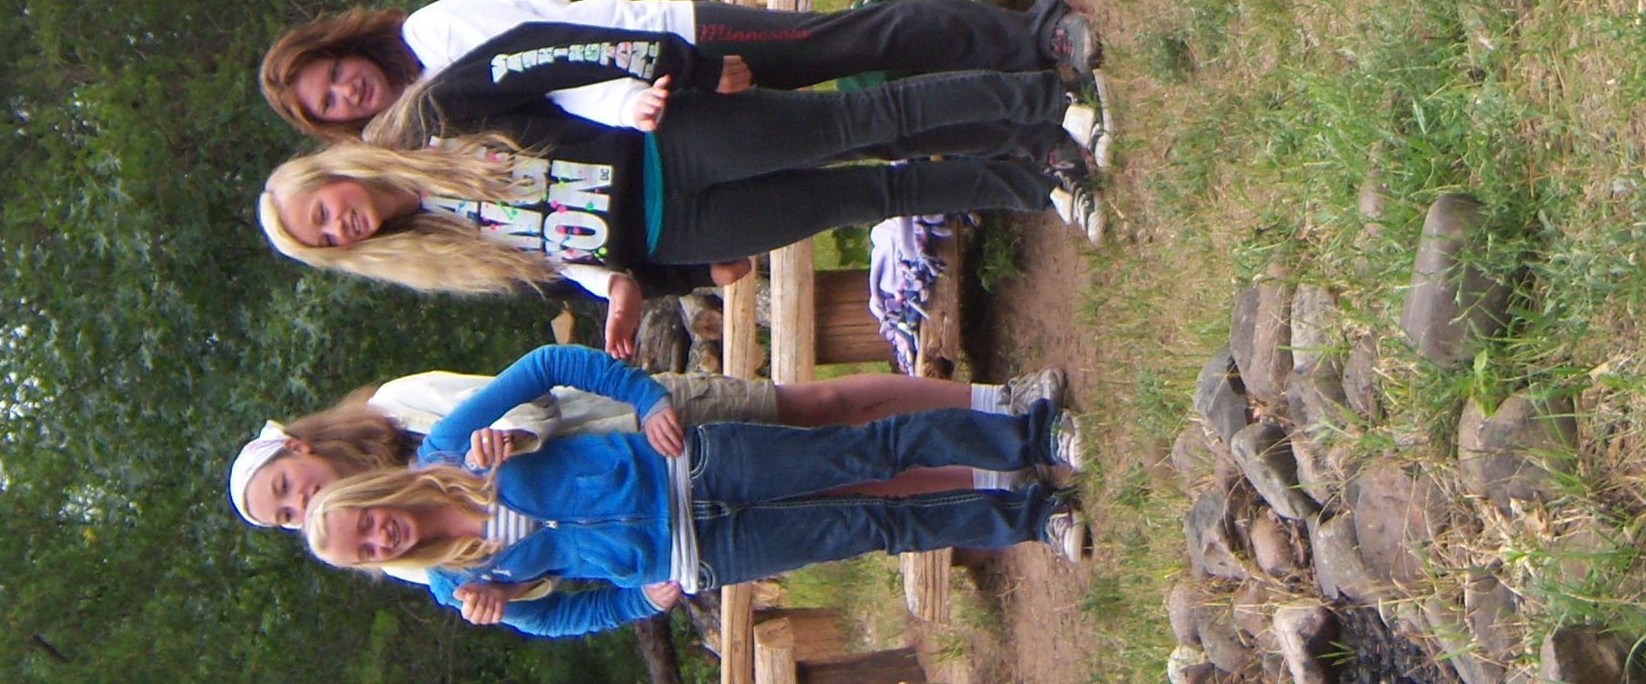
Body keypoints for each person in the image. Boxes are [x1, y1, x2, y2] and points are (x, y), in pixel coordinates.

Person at [298, 342, 1084, 629]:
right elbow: (563, 617)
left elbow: (547, 366)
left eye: (363, 522)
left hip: (691, 463)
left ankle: (1035, 436)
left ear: (369, 498)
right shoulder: (458, 586)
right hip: (702, 556)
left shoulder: (450, 449)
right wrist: (638, 603)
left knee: (863, 453)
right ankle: (1036, 514)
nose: (378, 537)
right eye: (364, 551)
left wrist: (643, 400)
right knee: (873, 527)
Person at [259, 71, 1102, 336]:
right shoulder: (442, 260)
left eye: (322, 209)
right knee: (870, 193)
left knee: (859, 122)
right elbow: (569, 271)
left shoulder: (435, 116)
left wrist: (664, 73)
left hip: (673, 142)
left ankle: (1045, 103)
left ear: (331, 171)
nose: (339, 225)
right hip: (679, 229)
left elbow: (555, 68)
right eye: (325, 239)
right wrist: (664, 283)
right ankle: (1039, 183)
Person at [230, 359, 1062, 531]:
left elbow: (529, 393)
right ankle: (994, 479)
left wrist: (512, 440)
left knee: (824, 408)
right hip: (651, 496)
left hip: (635, 421)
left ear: (297, 446)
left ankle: (1000, 405)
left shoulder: (400, 408)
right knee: (847, 486)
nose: (301, 503)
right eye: (286, 517)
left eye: (286, 486)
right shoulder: (382, 543)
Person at [256, 0, 1103, 141]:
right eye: (331, 104)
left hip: (672, 44)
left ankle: (1034, 36)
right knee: (859, 129)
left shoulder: (437, 35)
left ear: (345, 48)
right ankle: (1029, 117)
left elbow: (555, 46)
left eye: (333, 75)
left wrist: (673, 73)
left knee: (850, 43)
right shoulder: (427, 137)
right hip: (664, 120)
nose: (347, 91)